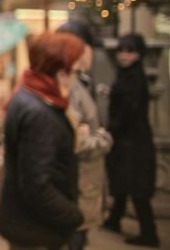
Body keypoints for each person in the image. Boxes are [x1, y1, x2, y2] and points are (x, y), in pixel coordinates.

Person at [0, 32, 85, 250]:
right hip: (36, 229)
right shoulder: (39, 112)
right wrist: (73, 216)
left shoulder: (28, 94)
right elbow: (36, 183)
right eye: (75, 71)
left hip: (26, 223)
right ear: (60, 72)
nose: (77, 77)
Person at [56, 21, 113, 250]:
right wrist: (103, 139)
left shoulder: (80, 81)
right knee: (74, 236)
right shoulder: (68, 84)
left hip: (83, 183)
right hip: (77, 183)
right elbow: (74, 139)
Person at [102, 33, 159, 247]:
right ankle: (114, 220)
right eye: (121, 51)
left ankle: (149, 233)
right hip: (127, 139)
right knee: (123, 183)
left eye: (129, 51)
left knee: (136, 187)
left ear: (138, 54)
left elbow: (129, 110)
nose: (124, 56)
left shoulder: (134, 77)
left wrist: (111, 130)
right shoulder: (127, 74)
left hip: (133, 141)